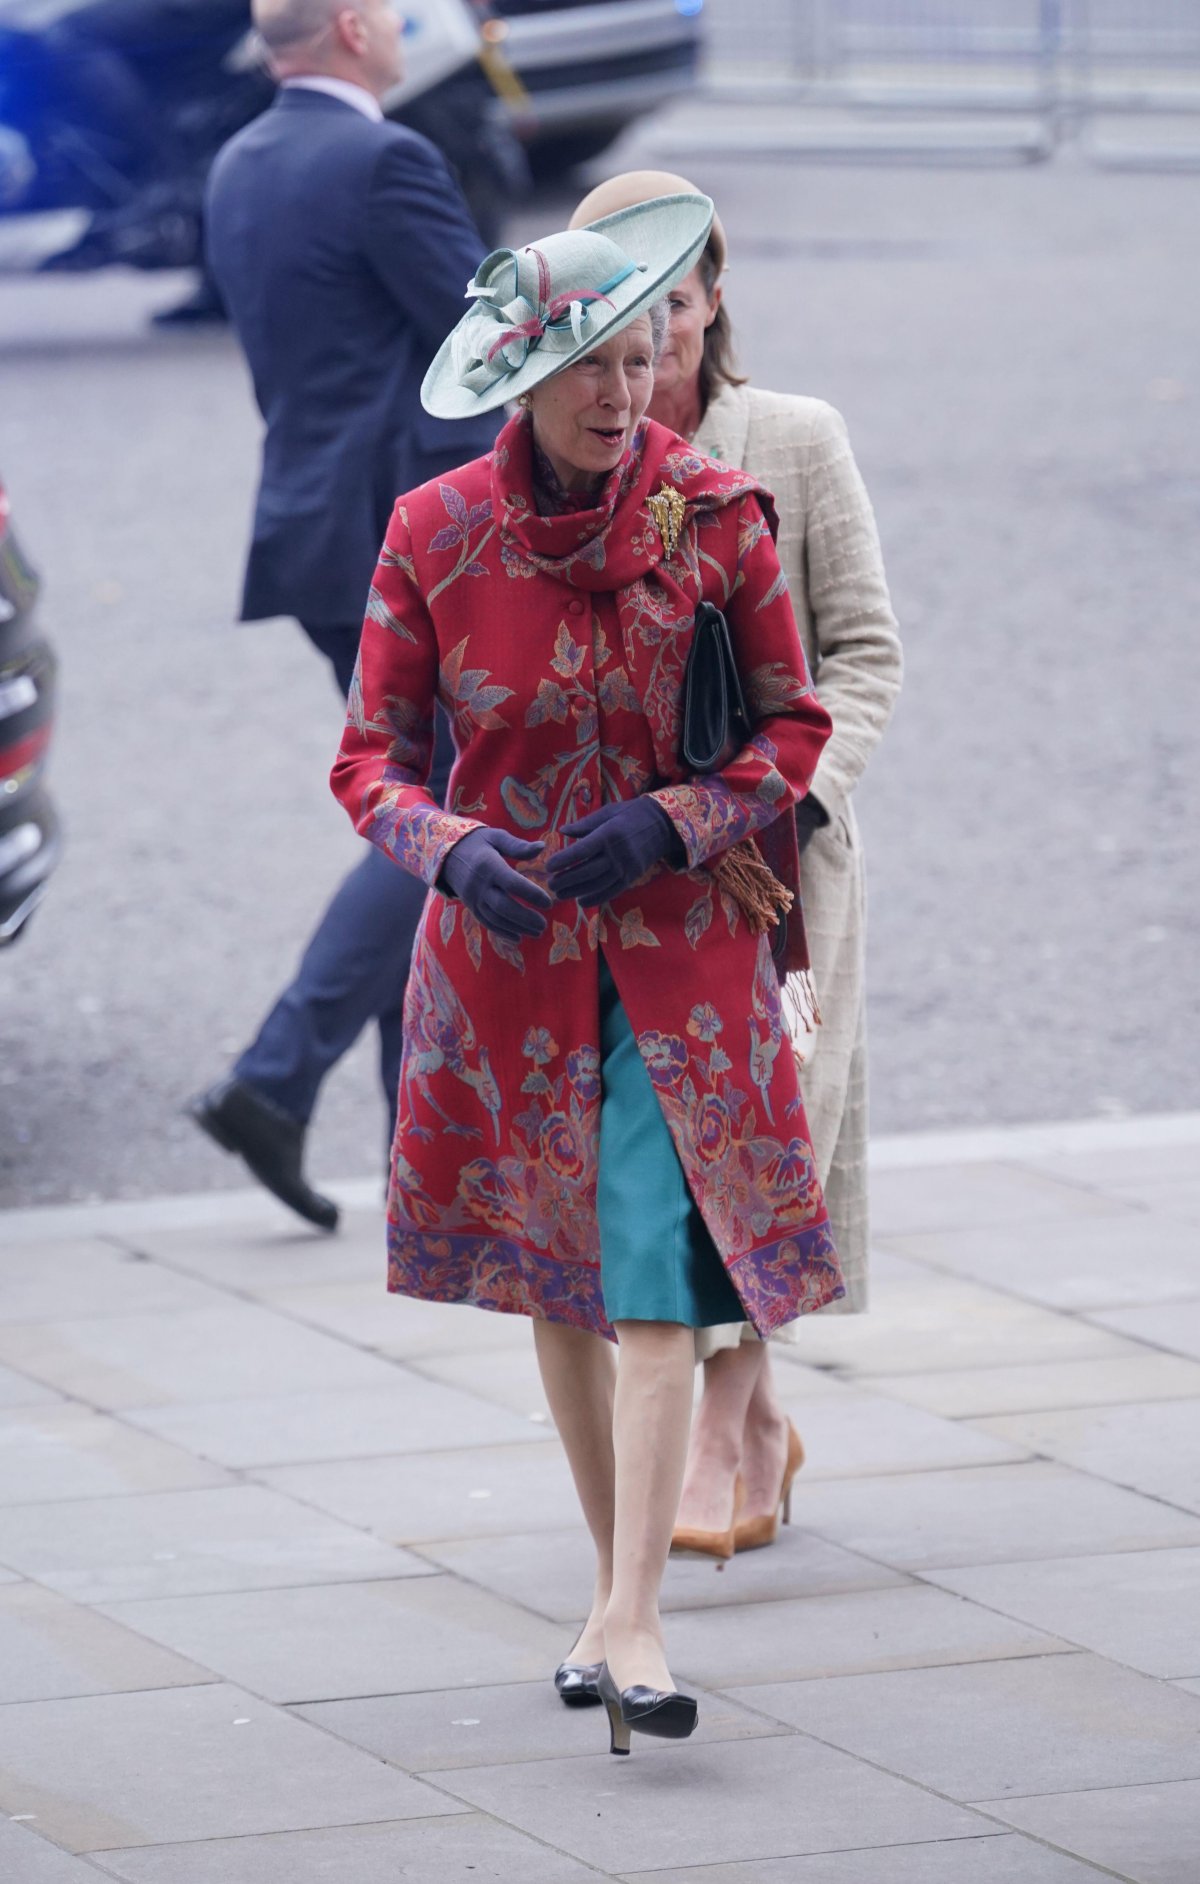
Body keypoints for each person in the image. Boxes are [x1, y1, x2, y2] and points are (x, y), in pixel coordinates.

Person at [331, 195, 843, 1753]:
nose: (625, 391)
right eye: (589, 369)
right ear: (520, 382)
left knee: (658, 1280)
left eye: (637, 357)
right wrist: (446, 850)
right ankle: (610, 1603)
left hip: (683, 964)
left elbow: (794, 729)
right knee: (558, 1282)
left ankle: (632, 1618)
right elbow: (367, 761)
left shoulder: (720, 514)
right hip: (505, 965)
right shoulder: (431, 534)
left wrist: (676, 820)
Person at [570, 171, 903, 1558]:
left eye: (679, 301)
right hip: (637, 880)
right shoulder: (577, 455)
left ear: (714, 300)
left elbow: (865, 653)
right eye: (625, 310)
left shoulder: (793, 439)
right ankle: (755, 1425)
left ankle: (728, 1419)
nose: (655, 337)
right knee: (659, 1153)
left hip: (779, 876)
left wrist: (795, 802)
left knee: (776, 1134)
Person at [188, 0, 498, 1228]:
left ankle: (414, 1151)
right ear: (359, 28)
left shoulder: (239, 162)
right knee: (443, 813)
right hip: (404, 541)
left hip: (311, 533)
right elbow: (488, 352)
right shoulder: (384, 158)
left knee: (410, 812)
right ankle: (278, 1074)